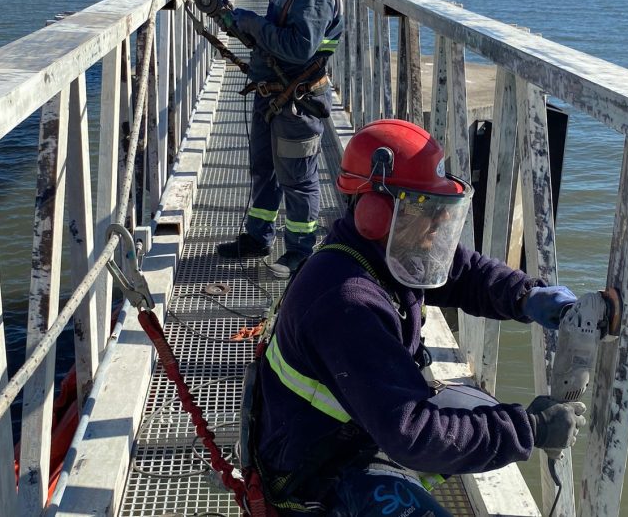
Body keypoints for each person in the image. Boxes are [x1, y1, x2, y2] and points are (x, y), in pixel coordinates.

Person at [251, 119, 586, 516]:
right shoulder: (348, 302)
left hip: (353, 425)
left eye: (444, 207)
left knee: (476, 409)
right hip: (318, 470)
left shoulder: (387, 251)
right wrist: (529, 429)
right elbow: (413, 433)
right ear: (376, 212)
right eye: (427, 207)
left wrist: (526, 296)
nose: (442, 221)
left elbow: (464, 272)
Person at [216, 0, 344, 279]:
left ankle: (301, 252)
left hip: (296, 103)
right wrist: (239, 24)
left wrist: (251, 22)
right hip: (271, 94)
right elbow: (276, 34)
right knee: (264, 167)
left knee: (298, 178)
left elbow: (299, 47)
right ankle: (258, 236)